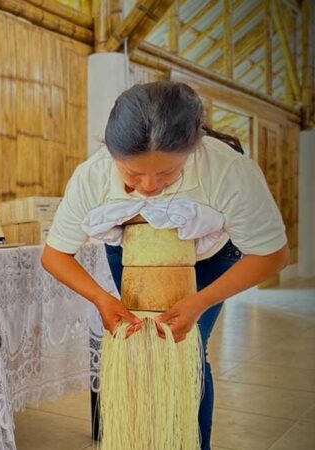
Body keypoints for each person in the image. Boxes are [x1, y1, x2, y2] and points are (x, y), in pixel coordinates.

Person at [41, 81, 289, 450]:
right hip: (131, 248)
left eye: (167, 173)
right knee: (138, 350)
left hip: (209, 256)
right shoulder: (91, 176)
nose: (149, 187)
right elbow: (55, 255)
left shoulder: (228, 171)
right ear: (112, 151)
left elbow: (272, 253)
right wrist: (101, 299)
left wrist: (200, 301)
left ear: (192, 148)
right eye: (133, 174)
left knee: (184, 351)